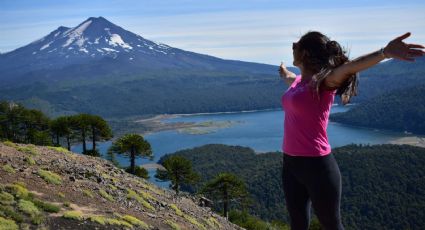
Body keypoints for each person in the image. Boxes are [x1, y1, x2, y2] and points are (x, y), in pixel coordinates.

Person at [278, 31, 424, 230]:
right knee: (297, 223)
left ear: (306, 53)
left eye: (298, 43)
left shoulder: (324, 83)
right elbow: (290, 78)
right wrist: (284, 71)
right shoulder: (298, 82)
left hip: (317, 167)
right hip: (290, 164)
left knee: (331, 225)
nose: (293, 44)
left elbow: (350, 67)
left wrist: (384, 52)